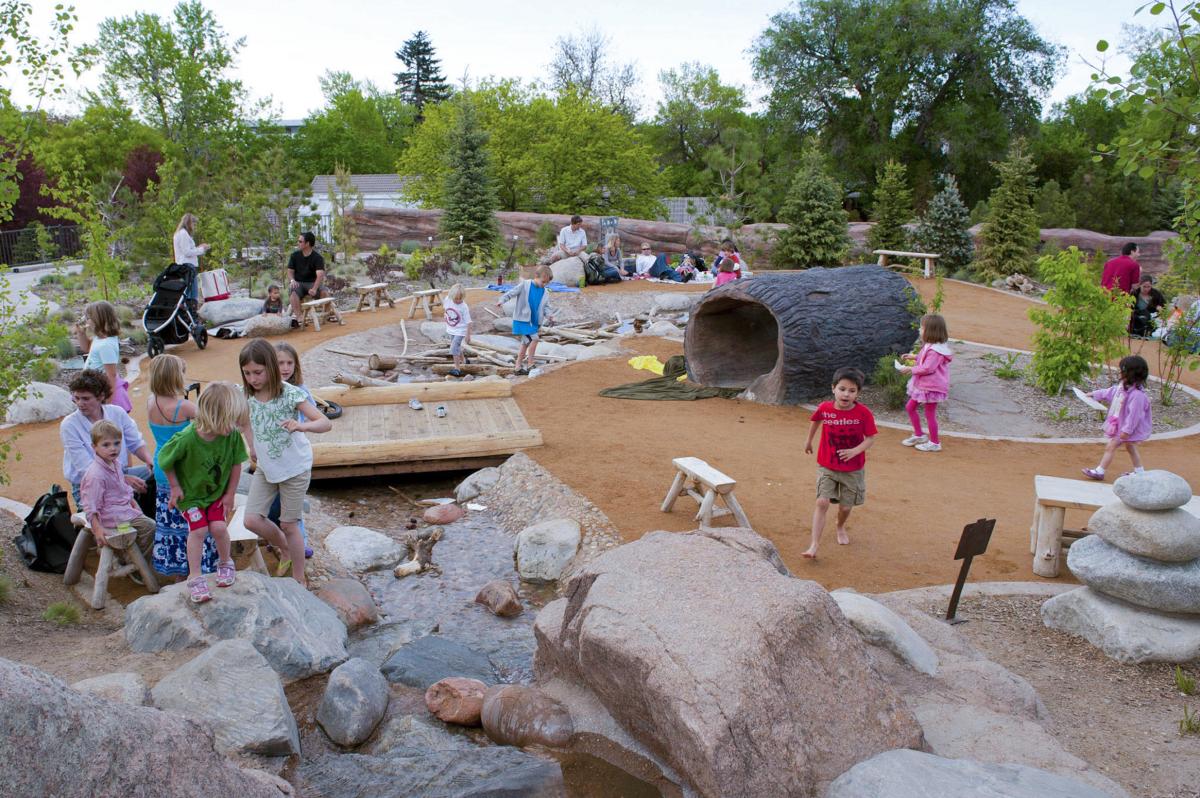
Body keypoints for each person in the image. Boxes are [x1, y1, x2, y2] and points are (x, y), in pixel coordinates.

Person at [239, 339, 332, 587]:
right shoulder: (246, 394)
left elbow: (325, 422)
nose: (253, 379)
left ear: (269, 367)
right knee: (251, 520)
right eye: (247, 373)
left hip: (294, 468)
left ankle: (299, 578)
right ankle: (285, 548)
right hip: (267, 469)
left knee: (290, 524)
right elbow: (244, 421)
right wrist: (251, 444)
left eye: (257, 372)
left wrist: (302, 425)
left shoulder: (290, 393)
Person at [157, 382, 248, 604]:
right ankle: (195, 575)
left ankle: (225, 562)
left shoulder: (232, 436)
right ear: (216, 417)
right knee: (198, 531)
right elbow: (164, 459)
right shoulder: (187, 438)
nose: (237, 426)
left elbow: (237, 464)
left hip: (216, 494)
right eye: (232, 420)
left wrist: (229, 494)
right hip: (191, 497)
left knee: (218, 527)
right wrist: (175, 487)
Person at [145, 354, 217, 577]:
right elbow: (210, 425)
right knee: (194, 522)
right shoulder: (183, 407)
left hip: (161, 467)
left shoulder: (151, 401)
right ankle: (202, 570)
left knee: (171, 522)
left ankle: (177, 571)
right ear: (175, 377)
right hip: (184, 471)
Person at [802, 367, 877, 559]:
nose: (846, 394)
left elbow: (870, 438)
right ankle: (814, 545)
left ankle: (840, 525)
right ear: (833, 388)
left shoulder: (863, 413)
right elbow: (816, 420)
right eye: (842, 389)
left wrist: (854, 451)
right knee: (822, 502)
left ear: (858, 393)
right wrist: (809, 440)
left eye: (852, 391)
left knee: (845, 507)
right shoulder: (825, 408)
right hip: (827, 464)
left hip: (853, 469)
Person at [60, 369, 153, 512]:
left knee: (161, 476)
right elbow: (87, 469)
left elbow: (136, 443)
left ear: (100, 396)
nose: (80, 403)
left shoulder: (117, 412)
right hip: (89, 486)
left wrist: (150, 462)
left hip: (120, 472)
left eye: (85, 398)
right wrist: (123, 480)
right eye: (76, 398)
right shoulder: (69, 425)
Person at [79, 420, 155, 559]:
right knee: (150, 527)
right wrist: (97, 529)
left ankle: (134, 555)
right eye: (106, 445)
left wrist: (134, 506)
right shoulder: (96, 475)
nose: (113, 448)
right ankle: (135, 559)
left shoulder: (115, 464)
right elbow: (90, 505)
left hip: (122, 510)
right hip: (111, 517)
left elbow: (123, 490)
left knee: (146, 519)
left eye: (117, 443)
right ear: (94, 447)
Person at [1081, 355, 1152, 481]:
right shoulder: (1123, 388)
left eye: (1122, 370)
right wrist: (1095, 394)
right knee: (1130, 447)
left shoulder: (1137, 396)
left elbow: (1134, 416)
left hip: (1127, 428)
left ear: (1128, 373)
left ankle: (1100, 471)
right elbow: (1110, 392)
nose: (1120, 373)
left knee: (1111, 446)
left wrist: (1127, 431)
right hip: (1123, 426)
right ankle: (1140, 472)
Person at [272, 341, 313, 559]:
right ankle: (280, 542)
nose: (286, 368)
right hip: (273, 457)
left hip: (295, 457)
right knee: (277, 504)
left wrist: (298, 424)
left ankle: (301, 542)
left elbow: (312, 416)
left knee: (293, 507)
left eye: (290, 363)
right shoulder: (265, 391)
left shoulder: (300, 391)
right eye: (280, 363)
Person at [898, 314, 953, 453]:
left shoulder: (936, 351)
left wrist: (910, 368)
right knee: (910, 407)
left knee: (929, 413)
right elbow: (924, 357)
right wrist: (913, 357)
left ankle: (935, 443)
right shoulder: (931, 346)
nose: (919, 330)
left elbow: (928, 368)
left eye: (922, 327)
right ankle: (919, 435)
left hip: (932, 386)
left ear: (931, 330)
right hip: (924, 385)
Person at [496, 265, 556, 375]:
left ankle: (517, 367)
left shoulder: (545, 292)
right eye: (543, 282)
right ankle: (530, 363)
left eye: (546, 283)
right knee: (535, 339)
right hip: (522, 320)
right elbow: (512, 292)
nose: (544, 284)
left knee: (525, 343)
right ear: (536, 276)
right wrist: (502, 300)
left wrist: (549, 315)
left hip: (533, 322)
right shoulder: (525, 285)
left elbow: (546, 306)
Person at [76, 300, 131, 412]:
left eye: (88, 317)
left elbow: (111, 375)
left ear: (98, 320)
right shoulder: (100, 338)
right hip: (95, 388)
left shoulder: (106, 345)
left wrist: (107, 403)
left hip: (103, 392)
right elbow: (86, 348)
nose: (86, 320)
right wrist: (81, 333)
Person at [287, 232, 328, 327]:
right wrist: (292, 281)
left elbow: (320, 275)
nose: (298, 243)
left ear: (307, 244)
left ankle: (327, 314)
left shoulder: (317, 258)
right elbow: (289, 271)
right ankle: (300, 317)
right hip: (299, 283)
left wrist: (314, 288)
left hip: (312, 283)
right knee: (293, 292)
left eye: (300, 241)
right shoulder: (294, 256)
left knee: (324, 292)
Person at [173, 213, 209, 305]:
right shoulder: (183, 234)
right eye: (194, 224)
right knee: (192, 292)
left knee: (188, 290)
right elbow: (187, 252)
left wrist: (198, 248)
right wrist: (202, 249)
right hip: (187, 266)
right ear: (189, 223)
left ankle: (189, 311)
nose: (194, 226)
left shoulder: (179, 233)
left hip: (184, 265)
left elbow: (186, 250)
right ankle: (191, 311)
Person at [443, 284, 472, 377]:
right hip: (452, 329)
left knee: (454, 348)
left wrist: (468, 335)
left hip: (461, 330)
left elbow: (469, 322)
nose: (458, 300)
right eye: (456, 298)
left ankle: (457, 369)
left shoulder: (464, 307)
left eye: (460, 298)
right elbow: (446, 310)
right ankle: (464, 361)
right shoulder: (447, 299)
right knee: (457, 346)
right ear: (452, 296)